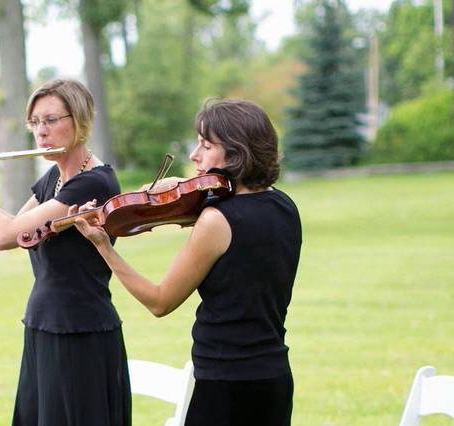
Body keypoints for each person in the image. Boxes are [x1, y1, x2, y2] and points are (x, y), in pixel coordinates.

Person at [72, 98, 302, 426]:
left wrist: (104, 246)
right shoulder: (284, 207)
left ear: (236, 153)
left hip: (224, 385)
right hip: (274, 377)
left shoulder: (216, 220)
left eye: (206, 146)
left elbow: (160, 301)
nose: (194, 156)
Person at [0, 79, 131, 426]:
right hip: (44, 323)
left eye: (51, 120)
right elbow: (17, 227)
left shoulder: (93, 183)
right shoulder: (56, 177)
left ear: (80, 120)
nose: (41, 131)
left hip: (78, 331)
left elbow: (4, 237)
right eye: (34, 122)